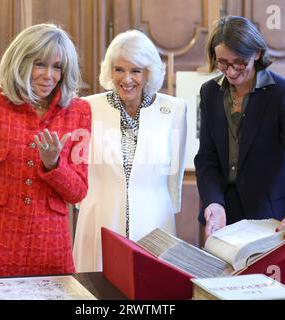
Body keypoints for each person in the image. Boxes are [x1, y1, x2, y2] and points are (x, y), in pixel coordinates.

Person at [0, 24, 91, 278]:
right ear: (21, 62)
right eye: (40, 64)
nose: (49, 75)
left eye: (57, 67)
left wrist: (54, 165)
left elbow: (78, 193)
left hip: (51, 247)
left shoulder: (79, 111)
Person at [194, 16, 285, 241]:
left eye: (239, 63)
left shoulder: (281, 94)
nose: (231, 71)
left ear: (257, 54)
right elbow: (206, 158)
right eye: (222, 62)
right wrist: (213, 201)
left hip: (273, 219)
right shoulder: (209, 93)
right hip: (223, 216)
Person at [73, 30, 187, 272]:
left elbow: (174, 174)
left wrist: (171, 207)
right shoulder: (87, 107)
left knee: (151, 289)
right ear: (109, 71)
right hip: (99, 218)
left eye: (136, 70)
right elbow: (77, 168)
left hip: (155, 220)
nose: (127, 79)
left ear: (149, 73)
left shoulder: (174, 110)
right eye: (119, 70)